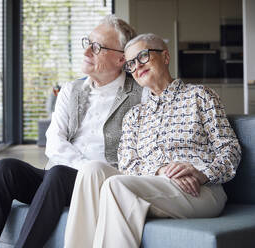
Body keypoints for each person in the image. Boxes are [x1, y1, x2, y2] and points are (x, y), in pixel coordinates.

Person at [0, 15, 145, 248]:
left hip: (98, 184)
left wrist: (84, 174)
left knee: (58, 174)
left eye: (97, 47)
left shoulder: (140, 96)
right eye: (87, 43)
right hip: (57, 179)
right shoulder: (71, 90)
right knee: (5, 169)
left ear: (121, 58)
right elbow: (54, 141)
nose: (86, 53)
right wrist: (78, 167)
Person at [64, 33, 242, 248]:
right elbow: (128, 165)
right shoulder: (135, 115)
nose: (137, 66)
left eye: (143, 56)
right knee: (91, 170)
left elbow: (229, 149)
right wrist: (161, 170)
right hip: (153, 182)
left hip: (200, 190)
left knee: (115, 185)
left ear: (165, 57)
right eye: (130, 64)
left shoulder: (200, 96)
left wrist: (202, 174)